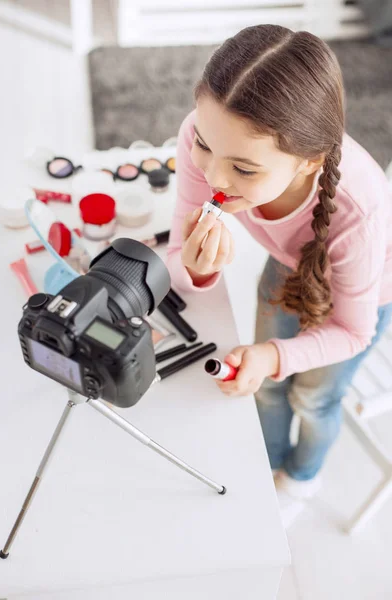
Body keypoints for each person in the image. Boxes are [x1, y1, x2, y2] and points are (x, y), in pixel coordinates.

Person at [166, 24, 392, 527]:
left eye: (244, 171)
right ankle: (265, 462)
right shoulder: (204, 140)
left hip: (362, 296)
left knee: (313, 397)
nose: (215, 180)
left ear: (310, 161)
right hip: (288, 267)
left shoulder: (359, 209)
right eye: (205, 145)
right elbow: (182, 258)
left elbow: (354, 331)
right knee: (265, 384)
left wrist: (273, 354)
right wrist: (198, 271)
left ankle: (301, 478)